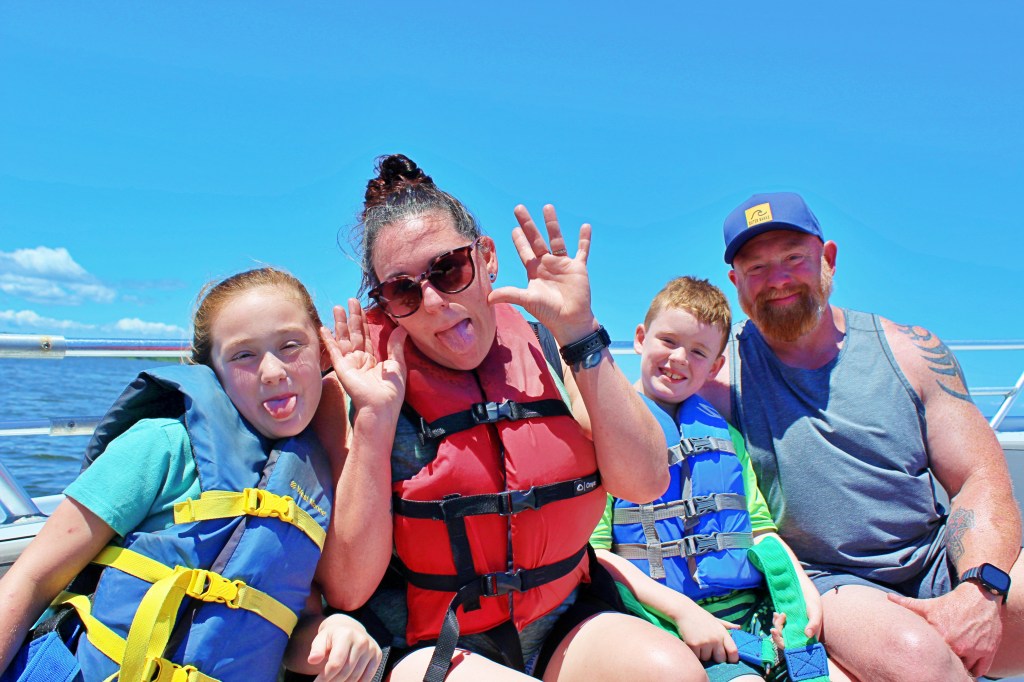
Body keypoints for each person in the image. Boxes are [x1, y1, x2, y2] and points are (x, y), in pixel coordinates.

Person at [316, 154, 709, 681]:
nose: (432, 301)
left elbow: (644, 482)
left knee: (673, 673)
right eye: (403, 290)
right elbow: (348, 589)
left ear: (487, 260)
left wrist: (579, 333)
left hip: (562, 622)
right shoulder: (353, 388)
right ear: (386, 306)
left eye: (448, 269)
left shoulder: (551, 345)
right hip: (430, 644)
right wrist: (375, 419)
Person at [700, 191, 1024, 681]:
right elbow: (635, 416)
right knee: (918, 658)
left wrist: (979, 591)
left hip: (938, 558)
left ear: (827, 259)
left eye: (793, 258)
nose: (779, 280)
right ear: (736, 284)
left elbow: (978, 477)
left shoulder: (911, 352)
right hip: (833, 583)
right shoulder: (720, 376)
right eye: (757, 268)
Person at [0, 267, 380, 682]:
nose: (272, 371)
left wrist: (331, 633)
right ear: (211, 370)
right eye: (243, 355)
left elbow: (287, 625)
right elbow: (32, 579)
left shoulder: (309, 479)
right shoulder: (160, 446)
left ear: (323, 353)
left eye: (290, 345)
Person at [590, 276, 835, 682]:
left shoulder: (727, 439)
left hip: (752, 620)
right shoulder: (604, 437)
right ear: (639, 338)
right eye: (668, 341)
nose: (680, 358)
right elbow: (597, 555)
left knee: (819, 676)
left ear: (716, 366)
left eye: (699, 351)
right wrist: (683, 613)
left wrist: (799, 594)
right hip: (661, 621)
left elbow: (760, 530)